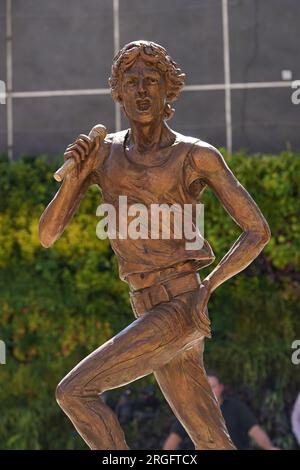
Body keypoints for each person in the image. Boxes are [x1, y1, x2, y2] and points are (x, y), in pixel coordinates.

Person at [39, 40, 271, 450]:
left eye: (151, 81)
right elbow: (47, 234)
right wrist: (76, 176)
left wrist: (208, 288)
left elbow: (257, 231)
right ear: (119, 92)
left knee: (74, 392)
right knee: (211, 439)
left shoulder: (196, 155)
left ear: (168, 91)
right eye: (131, 82)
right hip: (144, 305)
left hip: (179, 307)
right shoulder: (103, 154)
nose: (142, 91)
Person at [163, 371, 279, 450]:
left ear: (221, 387)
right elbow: (174, 437)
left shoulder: (236, 408)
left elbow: (255, 430)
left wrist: (269, 448)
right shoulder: (192, 412)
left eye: (212, 386)